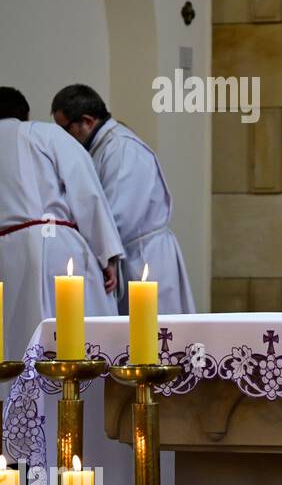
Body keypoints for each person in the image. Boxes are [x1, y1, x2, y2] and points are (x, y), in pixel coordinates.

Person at [0, 87, 123, 362]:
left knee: (13, 348)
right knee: (77, 343)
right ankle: (82, 403)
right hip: (55, 244)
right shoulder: (43, 133)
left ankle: (18, 405)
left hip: (4, 259)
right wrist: (108, 256)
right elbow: (86, 191)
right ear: (25, 114)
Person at [51, 84, 195, 314]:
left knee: (157, 341)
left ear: (87, 121)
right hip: (129, 255)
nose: (63, 138)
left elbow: (117, 216)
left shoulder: (122, 149)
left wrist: (88, 249)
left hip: (144, 258)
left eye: (65, 129)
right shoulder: (102, 148)